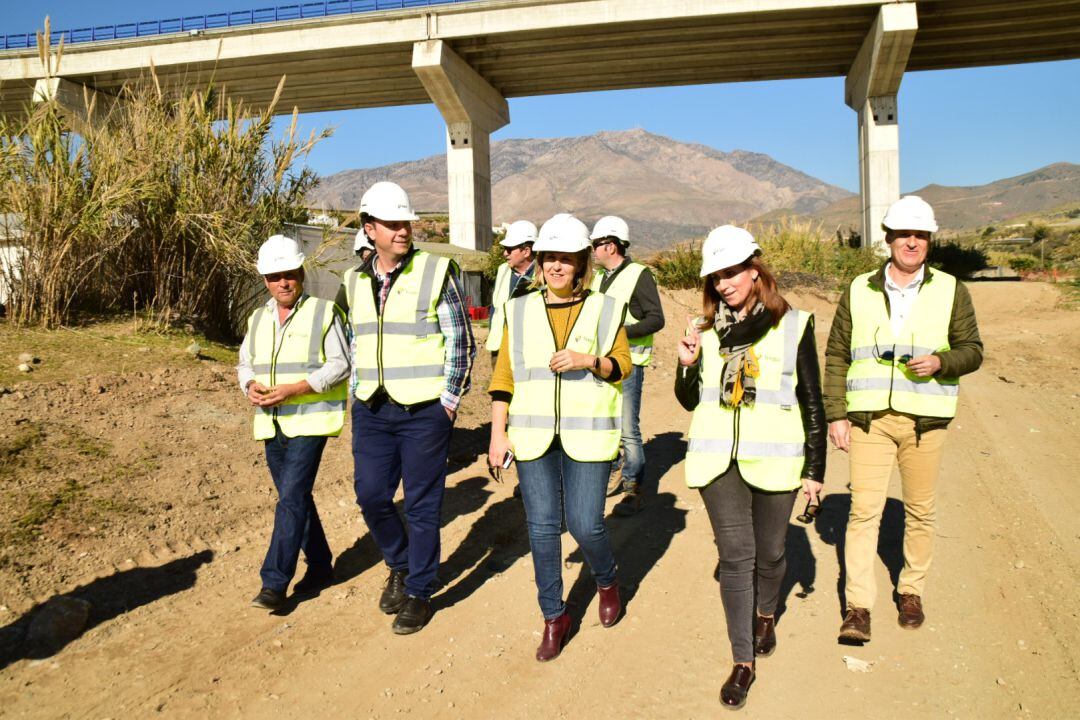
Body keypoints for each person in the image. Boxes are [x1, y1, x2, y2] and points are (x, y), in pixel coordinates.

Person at [674, 225, 825, 710]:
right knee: (736, 557)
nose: (724, 283)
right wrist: (685, 365)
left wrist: (815, 470)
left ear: (756, 270)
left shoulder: (794, 325)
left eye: (733, 272)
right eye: (717, 276)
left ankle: (766, 611)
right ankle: (743, 662)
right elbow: (688, 400)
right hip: (718, 460)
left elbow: (812, 402)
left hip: (776, 458)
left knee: (772, 552)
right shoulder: (704, 332)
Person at [825, 196, 983, 643]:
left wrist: (942, 362)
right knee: (863, 514)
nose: (912, 243)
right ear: (889, 239)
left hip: (925, 422)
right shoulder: (859, 288)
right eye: (903, 235)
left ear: (929, 241)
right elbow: (836, 353)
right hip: (871, 420)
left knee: (920, 510)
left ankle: (911, 590)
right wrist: (837, 414)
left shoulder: (952, 289)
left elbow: (973, 350)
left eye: (920, 235)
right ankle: (858, 607)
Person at [487, 214, 631, 662]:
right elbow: (504, 376)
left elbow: (622, 365)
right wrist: (497, 434)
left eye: (566, 259)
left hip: (586, 438)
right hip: (532, 438)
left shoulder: (605, 309)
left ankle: (606, 579)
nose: (556, 266)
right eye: (550, 258)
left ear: (581, 263)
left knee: (585, 523)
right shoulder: (519, 308)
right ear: (540, 261)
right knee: (543, 528)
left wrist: (589, 360)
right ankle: (554, 615)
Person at [335, 181, 477, 635]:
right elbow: (356, 340)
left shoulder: (437, 271)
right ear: (370, 228)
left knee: (422, 505)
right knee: (371, 495)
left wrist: (448, 402)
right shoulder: (353, 280)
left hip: (424, 413)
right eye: (393, 224)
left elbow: (461, 339)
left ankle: (419, 591)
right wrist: (357, 385)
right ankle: (398, 563)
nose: (403, 230)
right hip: (372, 409)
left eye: (406, 223)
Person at [237, 234, 350, 611]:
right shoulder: (257, 318)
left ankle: (274, 582)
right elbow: (244, 364)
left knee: (289, 498)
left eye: (290, 274)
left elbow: (341, 364)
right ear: (265, 281)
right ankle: (320, 566)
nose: (283, 282)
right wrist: (249, 384)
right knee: (295, 497)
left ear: (301, 273)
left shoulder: (323, 311)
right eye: (275, 276)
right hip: (272, 422)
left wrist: (296, 389)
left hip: (310, 421)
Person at [590, 215, 665, 515]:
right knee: (605, 421)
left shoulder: (639, 275)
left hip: (630, 362)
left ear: (610, 245)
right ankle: (615, 468)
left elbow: (656, 318)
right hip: (601, 363)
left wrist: (621, 332)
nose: (593, 250)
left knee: (627, 428)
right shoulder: (598, 278)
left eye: (596, 244)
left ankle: (633, 486)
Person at [486, 219, 537, 362]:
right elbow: (494, 310)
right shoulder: (502, 270)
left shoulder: (544, 274)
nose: (504, 254)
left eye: (509, 249)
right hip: (499, 348)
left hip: (528, 352)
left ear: (526, 251)